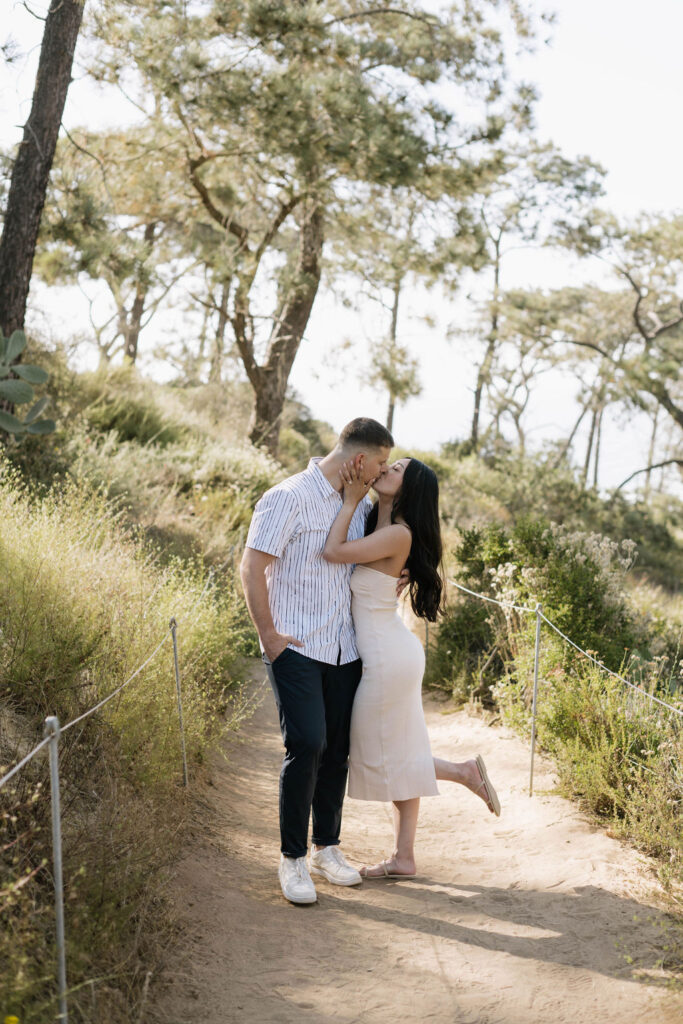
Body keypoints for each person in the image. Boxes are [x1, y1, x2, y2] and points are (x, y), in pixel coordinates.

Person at [240, 417, 399, 904]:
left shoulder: (361, 505)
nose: (380, 472)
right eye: (378, 463)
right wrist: (269, 638)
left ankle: (326, 848)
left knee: (336, 753)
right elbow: (252, 566)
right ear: (358, 460)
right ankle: (291, 861)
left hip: (344, 649)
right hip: (296, 647)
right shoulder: (286, 497)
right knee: (306, 743)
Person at [322, 456, 500, 879]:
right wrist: (374, 502)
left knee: (381, 750)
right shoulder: (388, 526)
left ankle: (460, 775)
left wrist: (351, 500)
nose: (387, 468)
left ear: (410, 489)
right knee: (395, 749)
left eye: (396, 469)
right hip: (390, 653)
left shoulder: (398, 534)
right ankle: (406, 856)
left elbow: (332, 552)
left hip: (388, 657)